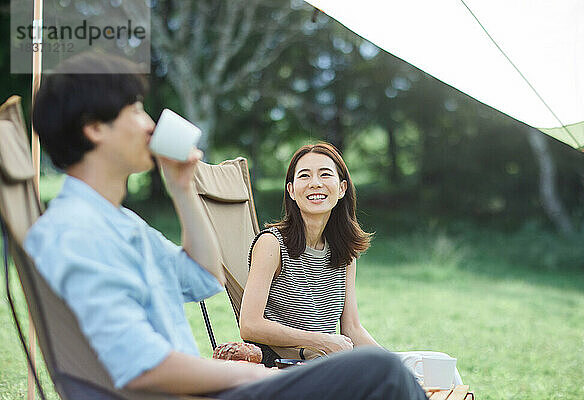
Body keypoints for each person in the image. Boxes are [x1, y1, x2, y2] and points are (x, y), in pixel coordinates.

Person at [24, 52, 427, 400]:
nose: (150, 125)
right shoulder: (76, 234)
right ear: (94, 127)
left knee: (381, 372)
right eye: (134, 110)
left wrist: (183, 190)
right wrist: (255, 374)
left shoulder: (120, 224)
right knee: (380, 372)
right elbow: (142, 366)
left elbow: (203, 279)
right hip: (202, 392)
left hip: (218, 388)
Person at [239, 143, 462, 384]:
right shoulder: (272, 244)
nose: (315, 183)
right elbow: (250, 325)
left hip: (333, 362)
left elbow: (352, 329)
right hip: (291, 370)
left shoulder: (344, 250)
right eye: (305, 176)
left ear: (342, 188)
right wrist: (321, 340)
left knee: (441, 368)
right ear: (292, 191)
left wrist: (392, 363)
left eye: (325, 174)